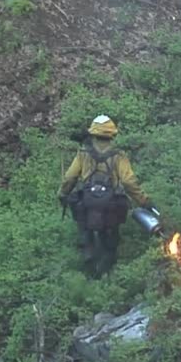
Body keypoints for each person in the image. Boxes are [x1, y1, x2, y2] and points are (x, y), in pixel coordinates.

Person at [59, 115, 152, 278]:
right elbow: (129, 182)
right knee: (111, 244)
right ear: (112, 135)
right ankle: (106, 274)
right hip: (111, 206)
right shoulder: (119, 156)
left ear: (93, 134)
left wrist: (62, 193)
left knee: (84, 225)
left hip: (87, 204)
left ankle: (88, 253)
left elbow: (70, 177)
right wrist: (144, 201)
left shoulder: (83, 154)